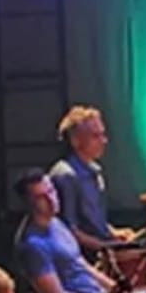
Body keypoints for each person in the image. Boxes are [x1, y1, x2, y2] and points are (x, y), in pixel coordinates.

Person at [13, 173, 106, 293]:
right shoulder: (32, 245)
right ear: (28, 202)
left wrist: (116, 289)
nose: (51, 200)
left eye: (51, 191)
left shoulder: (57, 223)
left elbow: (82, 264)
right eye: (41, 197)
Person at [50, 106, 134, 249]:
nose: (104, 141)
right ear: (75, 140)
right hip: (84, 256)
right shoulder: (66, 176)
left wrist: (114, 233)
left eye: (103, 134)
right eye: (95, 136)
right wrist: (105, 246)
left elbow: (94, 223)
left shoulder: (95, 171)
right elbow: (69, 231)